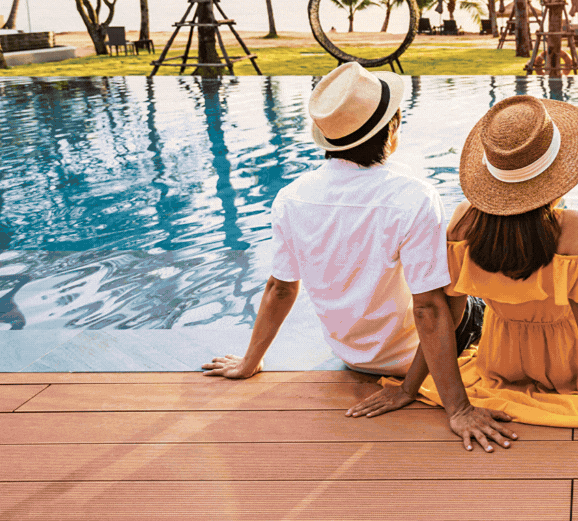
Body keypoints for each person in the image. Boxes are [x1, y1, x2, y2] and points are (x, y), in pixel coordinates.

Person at [351, 94, 578, 462]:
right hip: (573, 363)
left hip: (503, 360)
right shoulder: (572, 229)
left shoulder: (463, 222)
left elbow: (443, 319)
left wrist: (410, 388)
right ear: (558, 173)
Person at [202, 62, 516, 453]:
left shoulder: (290, 198)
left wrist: (249, 363)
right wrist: (456, 407)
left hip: (353, 357)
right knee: (470, 283)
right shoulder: (412, 196)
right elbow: (430, 309)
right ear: (393, 128)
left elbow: (280, 288)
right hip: (416, 356)